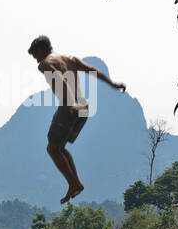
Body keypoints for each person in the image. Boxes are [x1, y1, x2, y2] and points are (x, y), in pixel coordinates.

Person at [27, 36, 127, 203]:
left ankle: (73, 183)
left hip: (71, 107)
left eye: (35, 55)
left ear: (41, 50)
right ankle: (76, 183)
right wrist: (112, 84)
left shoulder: (45, 63)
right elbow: (91, 70)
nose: (36, 60)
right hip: (84, 109)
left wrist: (70, 104)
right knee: (59, 147)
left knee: (52, 149)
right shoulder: (70, 59)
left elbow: (60, 79)